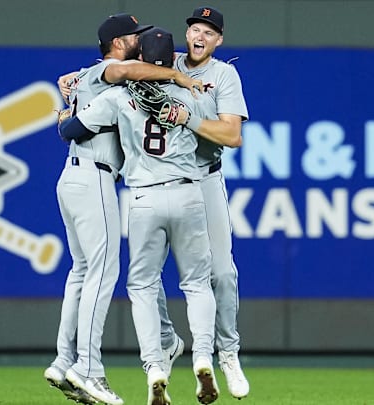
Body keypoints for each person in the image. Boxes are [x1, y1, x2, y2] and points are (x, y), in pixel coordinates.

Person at [44, 13, 202, 405]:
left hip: (73, 177)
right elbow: (125, 69)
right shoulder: (117, 71)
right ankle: (89, 369)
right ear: (116, 43)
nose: (138, 41)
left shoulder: (87, 75)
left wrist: (67, 101)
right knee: (101, 272)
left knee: (81, 272)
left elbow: (70, 126)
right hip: (95, 177)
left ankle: (65, 360)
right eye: (133, 36)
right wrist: (179, 77)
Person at [157, 6, 251, 400]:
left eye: (208, 32)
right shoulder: (164, 64)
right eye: (195, 28)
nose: (199, 36)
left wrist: (187, 119)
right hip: (161, 180)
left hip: (205, 178)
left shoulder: (223, 74)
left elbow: (232, 136)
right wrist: (80, 77)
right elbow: (117, 69)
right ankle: (165, 344)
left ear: (219, 40)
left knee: (222, 274)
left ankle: (227, 352)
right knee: (144, 276)